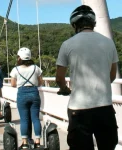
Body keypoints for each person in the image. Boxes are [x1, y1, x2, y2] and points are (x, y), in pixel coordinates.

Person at [56, 5, 118, 150]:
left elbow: (59, 78)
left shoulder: (67, 45)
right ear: (93, 23)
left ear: (74, 25)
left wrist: (64, 89)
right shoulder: (109, 43)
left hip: (79, 110)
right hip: (105, 108)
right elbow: (112, 75)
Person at [10, 47, 43, 149]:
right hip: (34, 93)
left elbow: (13, 84)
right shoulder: (36, 68)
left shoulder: (15, 70)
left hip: (22, 94)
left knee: (24, 120)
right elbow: (40, 82)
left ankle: (24, 143)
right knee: (35, 118)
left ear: (19, 57)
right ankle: (37, 142)